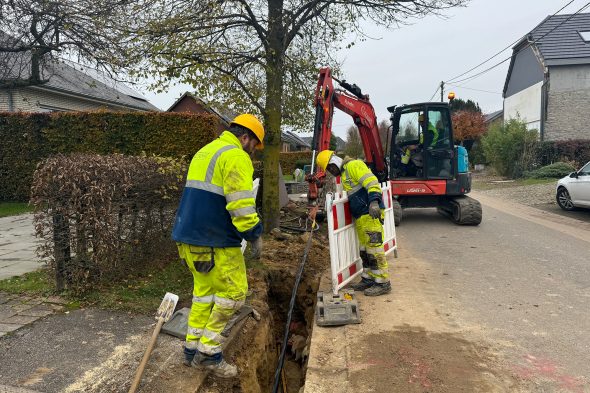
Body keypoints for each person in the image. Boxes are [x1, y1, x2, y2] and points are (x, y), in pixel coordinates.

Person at [171, 114, 264, 378]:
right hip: (215, 241)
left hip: (189, 239)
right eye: (254, 146)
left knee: (204, 294)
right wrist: (254, 234)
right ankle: (209, 354)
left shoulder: (205, 151)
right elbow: (241, 205)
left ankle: (191, 350)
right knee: (234, 294)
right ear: (245, 137)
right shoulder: (236, 156)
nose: (253, 152)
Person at [316, 150, 392, 296]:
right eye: (329, 170)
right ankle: (369, 278)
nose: (332, 171)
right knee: (365, 249)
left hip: (370, 213)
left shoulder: (354, 165)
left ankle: (383, 282)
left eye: (331, 168)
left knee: (374, 249)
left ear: (335, 160)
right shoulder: (344, 175)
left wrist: (374, 201)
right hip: (362, 216)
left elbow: (372, 182)